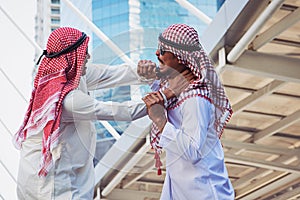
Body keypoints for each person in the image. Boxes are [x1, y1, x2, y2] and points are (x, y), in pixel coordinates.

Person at [13, 27, 193, 199]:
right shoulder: (68, 101)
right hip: (52, 186)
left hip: (56, 178)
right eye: (84, 53)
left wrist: (150, 72)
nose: (89, 57)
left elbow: (110, 74)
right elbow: (122, 111)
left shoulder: (69, 74)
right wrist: (167, 94)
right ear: (72, 57)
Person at [142, 24, 235, 200]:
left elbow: (192, 151)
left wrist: (161, 122)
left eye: (162, 50)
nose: (156, 53)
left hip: (205, 192)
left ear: (180, 57)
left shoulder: (195, 98)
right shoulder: (178, 93)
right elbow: (160, 96)